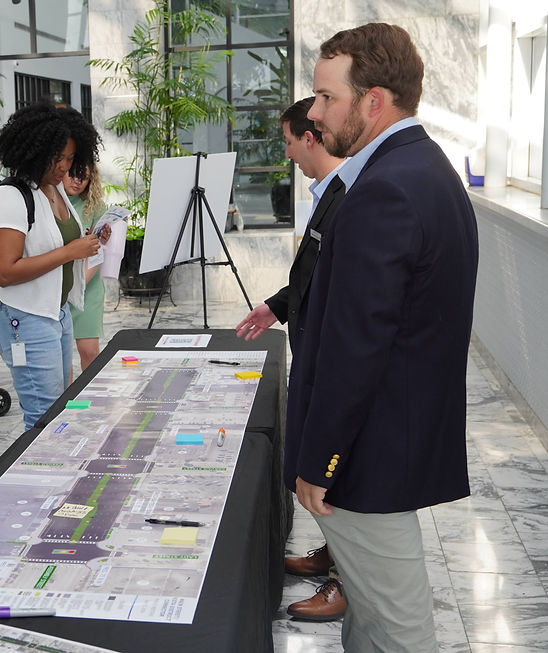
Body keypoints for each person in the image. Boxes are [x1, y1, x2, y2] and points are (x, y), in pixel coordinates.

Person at [285, 23, 478, 651]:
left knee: (399, 630)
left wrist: (322, 460)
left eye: (325, 98)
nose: (314, 113)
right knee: (368, 620)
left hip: (369, 456)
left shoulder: (386, 189)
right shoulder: (419, 168)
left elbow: (356, 345)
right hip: (393, 440)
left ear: (374, 102)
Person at [235, 97, 349, 622]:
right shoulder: (326, 194)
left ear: (311, 136)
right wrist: (275, 307)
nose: (284, 152)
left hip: (335, 363)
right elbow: (311, 278)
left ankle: (347, 578)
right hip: (309, 348)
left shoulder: (349, 195)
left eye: (287, 140)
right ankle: (334, 554)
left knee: (339, 473)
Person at [0, 102, 101, 431]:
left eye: (70, 158)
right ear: (34, 150)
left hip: (56, 312)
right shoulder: (10, 196)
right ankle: (39, 479)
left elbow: (53, 242)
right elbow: (5, 272)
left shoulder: (54, 188)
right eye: (57, 157)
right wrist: (70, 251)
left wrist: (88, 240)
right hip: (25, 316)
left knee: (58, 408)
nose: (65, 166)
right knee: (44, 418)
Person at [62, 163, 108, 372]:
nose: (77, 181)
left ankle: (92, 401)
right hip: (56, 287)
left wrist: (77, 286)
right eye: (73, 174)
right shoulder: (48, 203)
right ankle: (68, 402)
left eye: (84, 177)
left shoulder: (96, 207)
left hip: (87, 287)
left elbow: (98, 251)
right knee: (61, 356)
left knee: (90, 352)